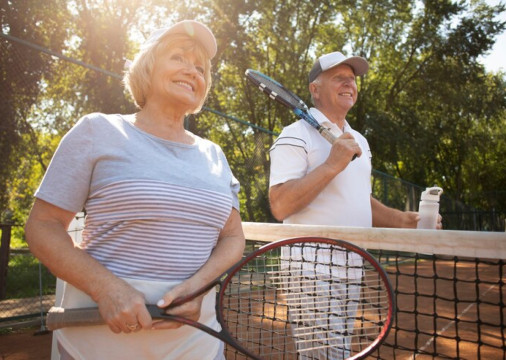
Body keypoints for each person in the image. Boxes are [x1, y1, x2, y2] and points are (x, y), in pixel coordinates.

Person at [25, 20, 245, 360]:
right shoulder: (97, 131)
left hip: (195, 343)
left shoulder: (215, 155)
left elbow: (233, 237)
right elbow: (42, 226)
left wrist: (199, 286)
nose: (192, 71)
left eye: (200, 68)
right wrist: (106, 288)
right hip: (97, 344)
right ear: (148, 66)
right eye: (178, 58)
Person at [269, 51, 442, 359]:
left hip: (353, 267)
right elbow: (281, 205)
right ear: (315, 89)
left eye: (352, 78)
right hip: (311, 270)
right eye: (339, 77)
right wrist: (332, 164)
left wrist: (405, 221)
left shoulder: (359, 141)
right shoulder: (294, 136)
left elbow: (359, 199)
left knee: (337, 352)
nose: (349, 82)